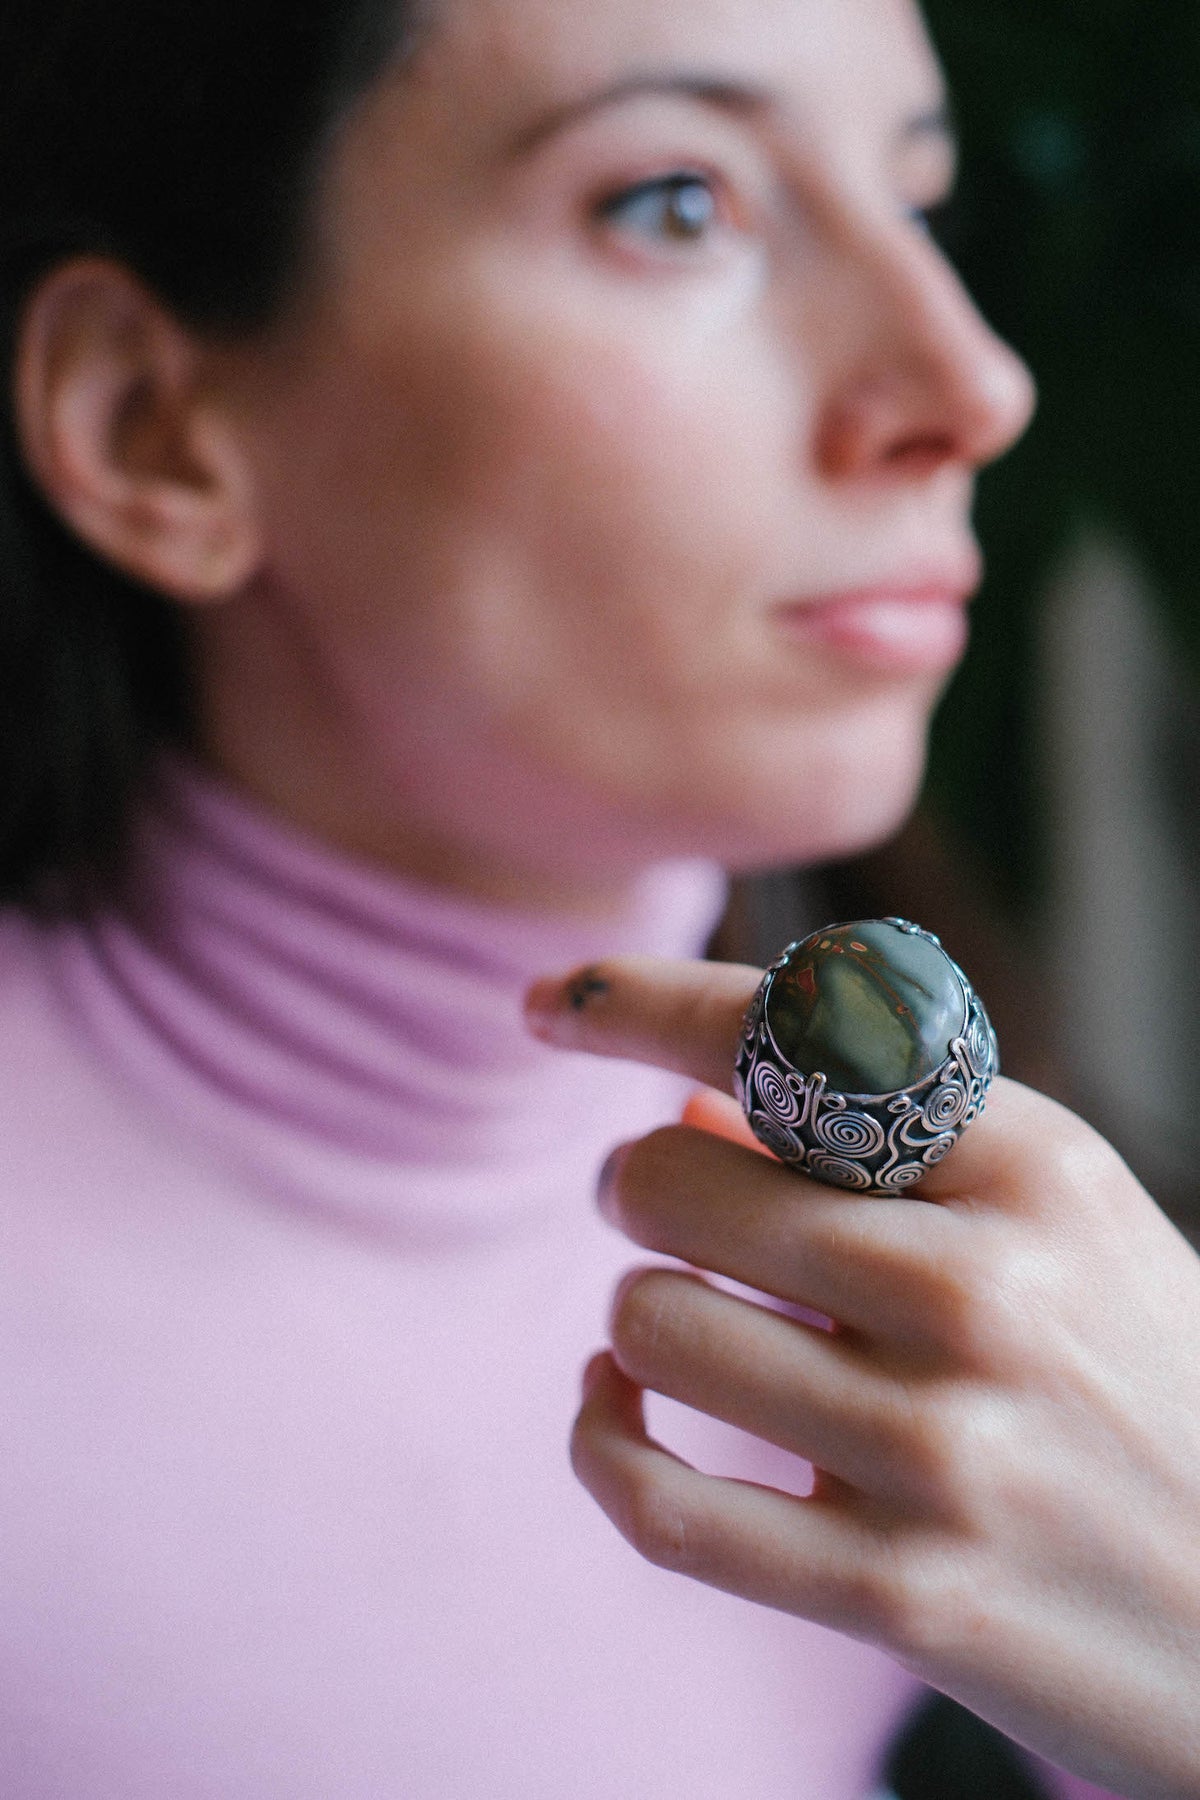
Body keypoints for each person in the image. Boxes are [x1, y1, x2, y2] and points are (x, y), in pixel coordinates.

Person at [0, 0, 1196, 1794]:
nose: (971, 385)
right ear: (152, 425)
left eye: (919, 199)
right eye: (675, 205)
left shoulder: (1028, 1319)